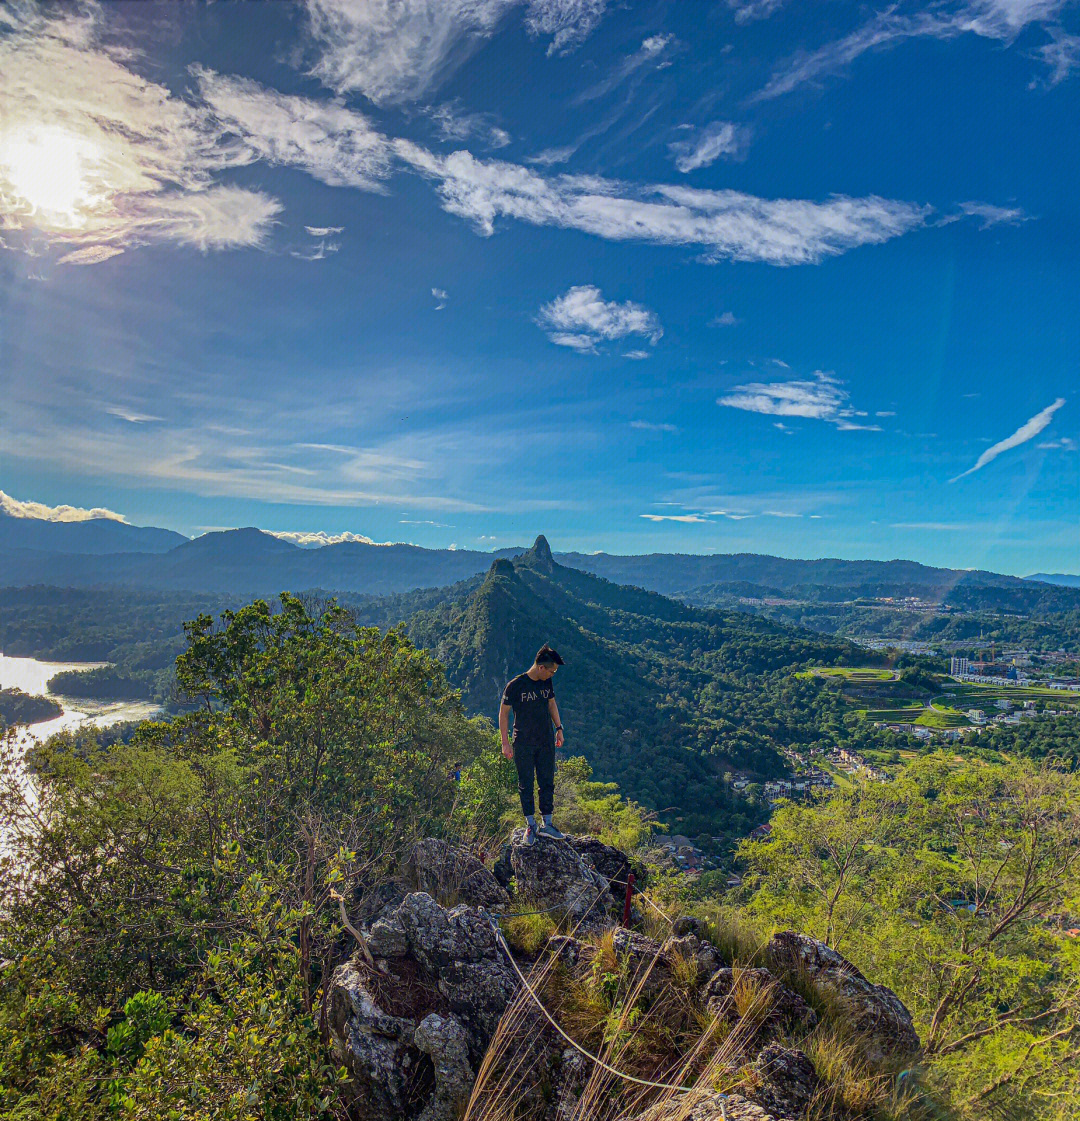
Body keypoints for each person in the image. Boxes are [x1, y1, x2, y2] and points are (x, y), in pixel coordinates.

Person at [500, 644, 565, 846]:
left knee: (547, 781)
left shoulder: (547, 683)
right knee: (525, 784)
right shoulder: (515, 685)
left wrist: (559, 728)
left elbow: (551, 704)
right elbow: (503, 713)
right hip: (523, 743)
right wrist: (505, 742)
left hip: (545, 740)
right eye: (552, 671)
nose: (553, 675)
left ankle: (548, 823)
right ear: (541, 668)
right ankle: (530, 825)